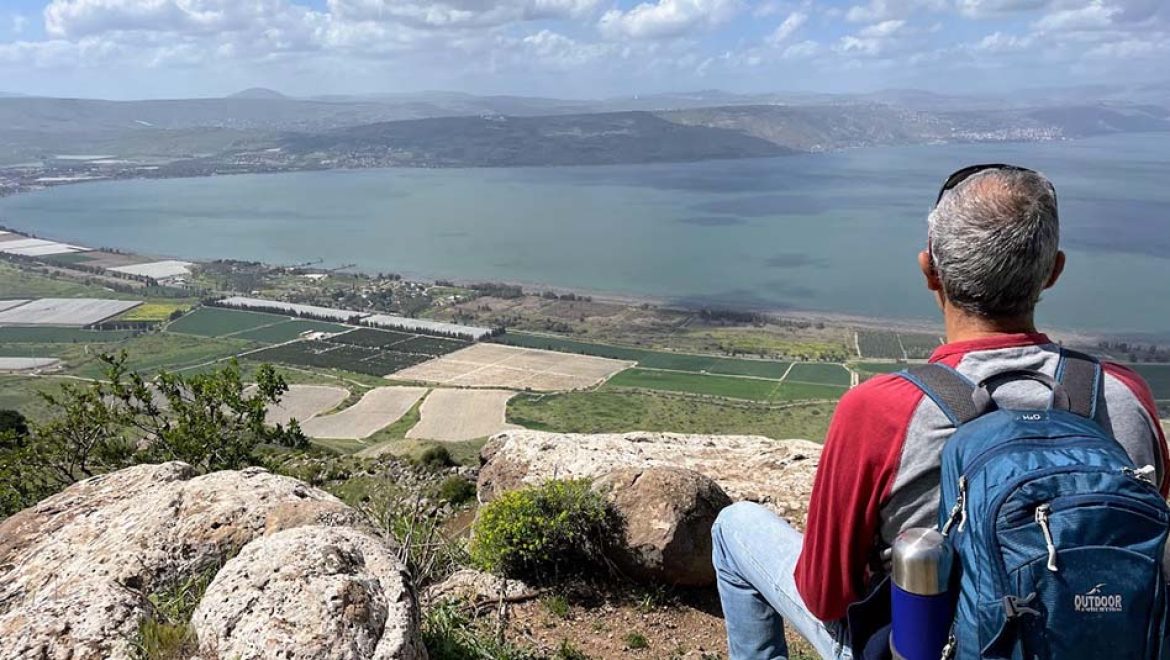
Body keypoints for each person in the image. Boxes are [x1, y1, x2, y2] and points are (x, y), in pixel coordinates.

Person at [711, 164, 1169, 660]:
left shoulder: (881, 411)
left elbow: (824, 597)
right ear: (1053, 271)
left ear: (930, 269)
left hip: (919, 647)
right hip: (1102, 643)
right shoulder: (1125, 395)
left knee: (735, 527)